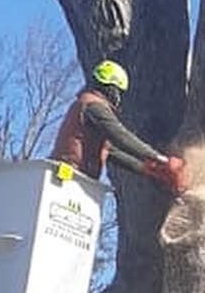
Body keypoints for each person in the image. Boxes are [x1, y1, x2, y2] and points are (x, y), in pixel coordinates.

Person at [50, 61, 187, 194]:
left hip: (77, 177)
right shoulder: (94, 106)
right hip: (67, 175)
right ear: (111, 88)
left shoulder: (87, 104)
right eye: (119, 92)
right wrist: (160, 158)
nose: (119, 97)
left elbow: (110, 152)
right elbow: (121, 136)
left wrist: (146, 169)